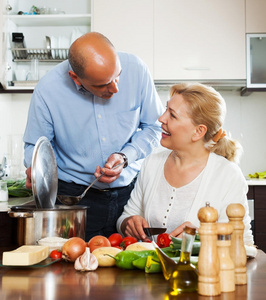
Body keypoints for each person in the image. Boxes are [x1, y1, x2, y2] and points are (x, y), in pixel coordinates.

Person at [23, 32, 164, 241]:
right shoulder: (48, 90)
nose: (115, 88)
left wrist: (126, 157)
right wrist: (37, 171)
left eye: (118, 76)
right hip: (74, 201)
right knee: (73, 267)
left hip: (131, 195)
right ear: (75, 78)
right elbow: (34, 147)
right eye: (102, 85)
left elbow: (154, 127)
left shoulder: (136, 69)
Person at [117, 82, 254, 246]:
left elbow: (244, 243)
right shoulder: (151, 164)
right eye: (166, 109)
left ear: (198, 131)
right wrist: (128, 223)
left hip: (203, 271)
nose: (161, 118)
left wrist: (202, 238)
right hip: (151, 270)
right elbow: (126, 217)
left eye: (172, 115)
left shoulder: (228, 175)